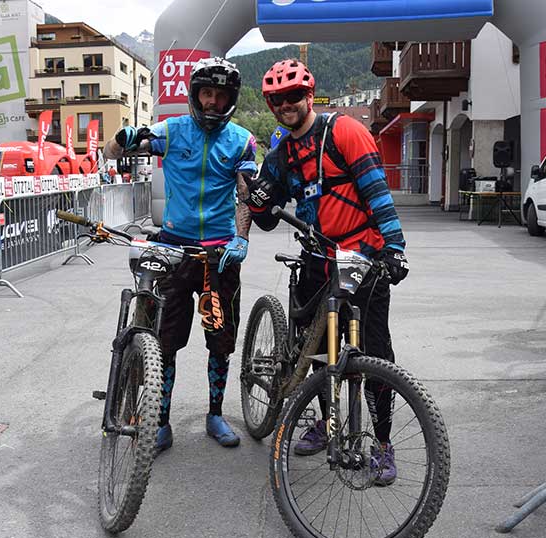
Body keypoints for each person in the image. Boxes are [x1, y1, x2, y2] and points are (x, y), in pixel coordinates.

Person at [244, 59, 409, 485]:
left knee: (374, 355)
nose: (287, 104)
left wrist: (395, 248)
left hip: (363, 259)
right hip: (317, 261)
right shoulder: (281, 153)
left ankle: (383, 445)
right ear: (271, 104)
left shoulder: (344, 131)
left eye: (295, 95)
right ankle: (324, 422)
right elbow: (264, 217)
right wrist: (257, 196)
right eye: (278, 99)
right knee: (315, 350)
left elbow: (376, 190)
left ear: (309, 93)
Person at [104, 57, 257, 451]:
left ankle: (216, 414)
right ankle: (162, 422)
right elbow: (109, 152)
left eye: (220, 96)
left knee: (220, 342)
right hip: (173, 251)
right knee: (165, 342)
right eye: (206, 93)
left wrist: (241, 239)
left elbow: (246, 194)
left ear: (230, 100)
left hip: (219, 255)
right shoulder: (171, 131)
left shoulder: (241, 140)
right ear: (195, 95)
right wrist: (123, 137)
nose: (212, 102)